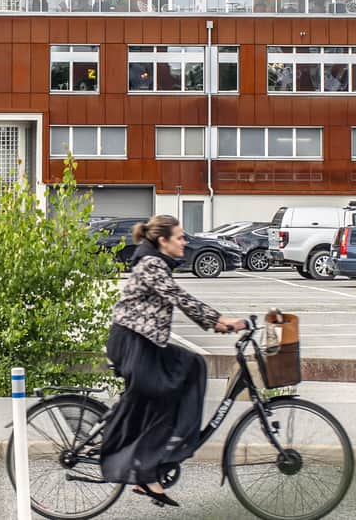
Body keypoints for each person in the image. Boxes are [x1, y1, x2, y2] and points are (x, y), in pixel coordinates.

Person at [99, 214, 246, 507]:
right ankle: (146, 474)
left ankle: (165, 452)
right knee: (164, 397)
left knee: (193, 365)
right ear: (162, 240)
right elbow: (178, 296)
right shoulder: (151, 264)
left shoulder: (156, 262)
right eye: (179, 237)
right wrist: (219, 320)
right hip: (132, 344)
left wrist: (217, 323)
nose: (185, 242)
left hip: (145, 343)